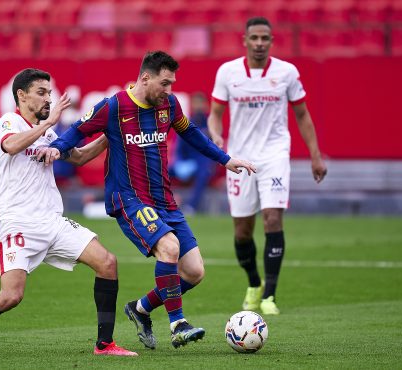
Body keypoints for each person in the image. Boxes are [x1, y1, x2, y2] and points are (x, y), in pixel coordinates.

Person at [37, 51, 257, 349]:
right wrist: (57, 148)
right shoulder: (114, 106)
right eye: (165, 83)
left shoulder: (169, 104)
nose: (169, 90)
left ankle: (140, 309)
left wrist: (226, 159)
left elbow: (191, 133)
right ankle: (178, 324)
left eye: (172, 84)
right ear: (145, 78)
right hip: (129, 200)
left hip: (164, 201)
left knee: (194, 272)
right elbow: (77, 131)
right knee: (169, 246)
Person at [0, 68, 137, 357]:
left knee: (107, 263)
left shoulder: (48, 131)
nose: (48, 98)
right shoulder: (8, 122)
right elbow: (12, 145)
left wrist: (112, 134)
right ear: (21, 96)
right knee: (11, 296)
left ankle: (105, 345)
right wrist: (48, 123)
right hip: (18, 224)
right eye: (41, 93)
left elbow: (80, 156)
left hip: (52, 222)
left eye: (49, 93)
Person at [207, 17, 328, 315]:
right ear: (244, 40)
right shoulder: (228, 72)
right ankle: (254, 284)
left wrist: (315, 155)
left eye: (265, 38)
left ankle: (269, 297)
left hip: (274, 155)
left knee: (272, 219)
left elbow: (302, 114)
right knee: (242, 231)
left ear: (272, 41)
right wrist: (216, 135)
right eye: (255, 38)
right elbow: (214, 113)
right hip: (239, 158)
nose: (260, 43)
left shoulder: (287, 72)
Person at [169, 92, 215, 214]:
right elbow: (179, 147)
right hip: (187, 161)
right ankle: (161, 203)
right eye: (195, 103)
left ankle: (191, 207)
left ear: (206, 105)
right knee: (163, 171)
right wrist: (179, 162)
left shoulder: (211, 123)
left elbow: (216, 148)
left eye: (200, 103)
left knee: (204, 173)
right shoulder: (187, 122)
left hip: (204, 163)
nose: (198, 106)